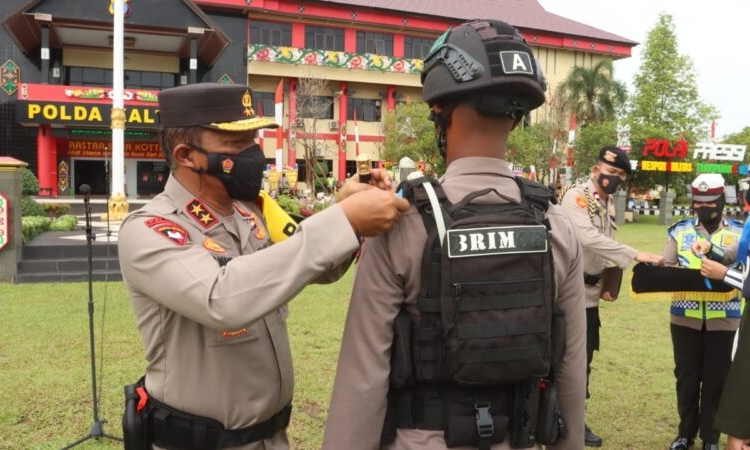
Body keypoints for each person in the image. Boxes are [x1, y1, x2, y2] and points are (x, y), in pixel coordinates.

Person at [322, 19, 587, 449]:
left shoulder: (401, 225)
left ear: (439, 109)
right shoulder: (556, 226)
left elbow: (363, 378)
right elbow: (571, 369)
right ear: (517, 115)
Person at [117, 82, 410, 450]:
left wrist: (343, 208)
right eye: (237, 145)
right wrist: (343, 220)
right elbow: (222, 299)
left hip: (272, 439)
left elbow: (316, 266)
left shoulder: (249, 211)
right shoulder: (151, 229)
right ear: (187, 155)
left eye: (255, 140)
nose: (254, 154)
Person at [559, 145, 665, 447]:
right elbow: (585, 237)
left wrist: (610, 280)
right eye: (609, 172)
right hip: (568, 296)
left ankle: (576, 419)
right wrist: (634, 254)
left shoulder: (605, 204)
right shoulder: (576, 197)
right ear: (595, 170)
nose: (613, 178)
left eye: (619, 175)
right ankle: (559, 420)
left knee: (584, 362)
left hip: (590, 295)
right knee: (565, 362)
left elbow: (604, 245)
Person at [662, 173, 743, 450]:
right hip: (684, 318)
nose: (704, 207)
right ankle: (685, 434)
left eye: (710, 202)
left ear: (721, 201)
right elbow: (667, 266)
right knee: (686, 377)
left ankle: (711, 438)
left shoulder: (740, 232)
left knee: (716, 380)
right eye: (698, 202)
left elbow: (742, 270)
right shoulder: (679, 230)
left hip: (725, 320)